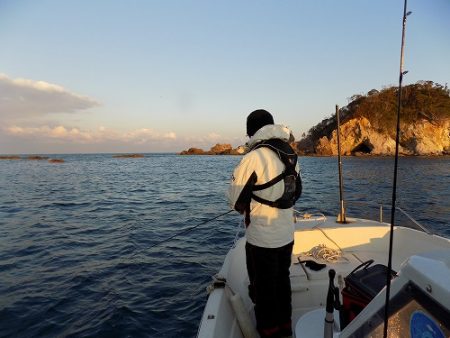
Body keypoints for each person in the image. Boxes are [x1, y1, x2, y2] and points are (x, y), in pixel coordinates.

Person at [228, 109, 302, 338]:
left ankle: (270, 333)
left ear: (252, 131)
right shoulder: (289, 153)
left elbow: (235, 201)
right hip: (286, 235)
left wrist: (249, 203)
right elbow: (296, 193)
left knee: (264, 291)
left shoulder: (253, 157)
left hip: (262, 239)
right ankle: (285, 329)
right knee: (282, 283)